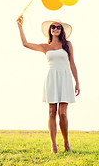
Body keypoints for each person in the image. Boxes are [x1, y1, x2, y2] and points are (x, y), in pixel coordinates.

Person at [16, 15, 80, 153]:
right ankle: (53, 145)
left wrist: (77, 82)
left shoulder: (67, 44)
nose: (55, 29)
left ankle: (66, 141)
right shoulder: (45, 47)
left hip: (65, 78)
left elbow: (72, 63)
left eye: (58, 27)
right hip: (52, 78)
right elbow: (25, 44)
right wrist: (20, 26)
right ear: (50, 30)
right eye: (53, 27)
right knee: (52, 112)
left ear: (61, 30)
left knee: (63, 113)